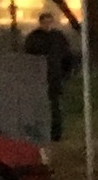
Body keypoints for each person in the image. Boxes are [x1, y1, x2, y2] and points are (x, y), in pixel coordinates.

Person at [19, 8, 77, 137]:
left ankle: (56, 133)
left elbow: (66, 56)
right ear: (40, 23)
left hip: (55, 77)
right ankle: (39, 131)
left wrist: (66, 73)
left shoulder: (58, 37)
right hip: (39, 78)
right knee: (39, 105)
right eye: (45, 22)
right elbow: (28, 57)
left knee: (55, 105)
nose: (48, 25)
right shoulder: (33, 38)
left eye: (50, 22)